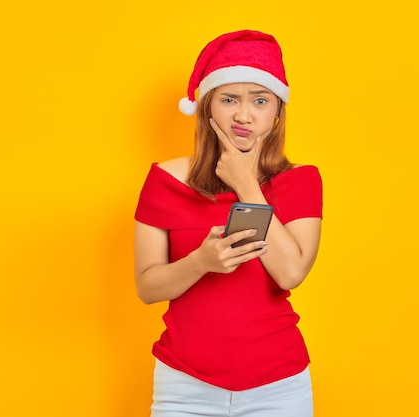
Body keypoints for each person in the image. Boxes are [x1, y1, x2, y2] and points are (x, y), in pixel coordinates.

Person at [134, 29, 323, 417]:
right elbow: (147, 287)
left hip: (278, 386)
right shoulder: (164, 181)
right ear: (207, 107)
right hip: (184, 386)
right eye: (229, 99)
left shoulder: (301, 180)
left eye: (260, 100)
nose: (244, 114)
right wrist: (199, 263)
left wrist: (246, 183)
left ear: (276, 112)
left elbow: (290, 273)